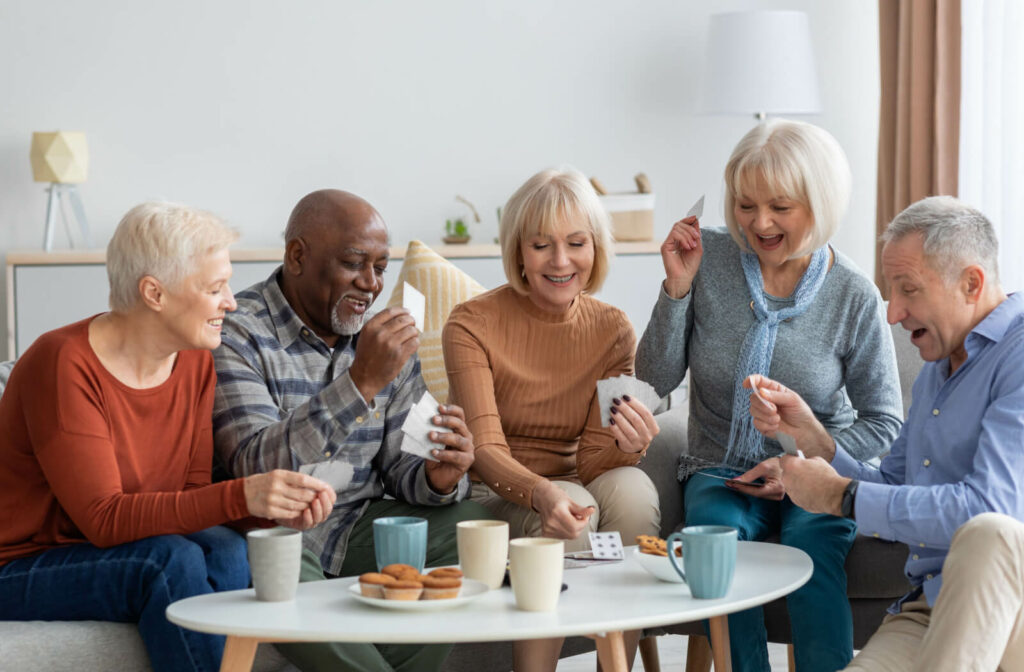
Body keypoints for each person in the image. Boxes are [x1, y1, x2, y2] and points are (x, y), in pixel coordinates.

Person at [0, 202, 336, 672]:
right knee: (167, 561)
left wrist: (269, 512)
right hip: (21, 564)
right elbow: (103, 518)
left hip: (116, 549)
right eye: (214, 288)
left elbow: (190, 499)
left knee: (228, 549)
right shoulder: (62, 363)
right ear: (154, 293)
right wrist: (244, 494)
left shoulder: (194, 360)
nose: (232, 302)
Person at [635, 119, 903, 671]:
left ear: (819, 202)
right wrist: (677, 290)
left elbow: (883, 423)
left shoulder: (853, 293)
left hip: (816, 471)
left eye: (780, 206)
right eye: (746, 204)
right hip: (719, 469)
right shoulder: (706, 258)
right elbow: (654, 380)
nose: (759, 223)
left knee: (813, 555)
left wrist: (799, 460)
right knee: (718, 551)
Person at [213, 189, 488, 672]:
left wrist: (439, 474)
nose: (370, 284)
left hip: (358, 524)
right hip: (276, 529)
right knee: (268, 561)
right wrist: (360, 381)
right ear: (298, 256)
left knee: (469, 528)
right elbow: (255, 464)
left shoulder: (384, 337)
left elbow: (403, 465)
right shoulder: (238, 332)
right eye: (354, 263)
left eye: (381, 268)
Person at [754, 196, 1024, 671]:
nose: (893, 313)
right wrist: (818, 443)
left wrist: (843, 496)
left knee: (989, 533)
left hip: (1012, 606)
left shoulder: (1017, 357)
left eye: (908, 290)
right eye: (890, 292)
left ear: (971, 283)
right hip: (929, 608)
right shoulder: (938, 370)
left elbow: (988, 509)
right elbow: (897, 487)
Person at [443, 167, 661, 671]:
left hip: (576, 479)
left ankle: (616, 667)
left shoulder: (612, 328)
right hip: (499, 490)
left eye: (576, 243)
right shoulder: (471, 324)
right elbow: (486, 451)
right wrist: (543, 492)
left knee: (633, 488)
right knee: (576, 510)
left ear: (596, 248)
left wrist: (628, 445)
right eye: (541, 245)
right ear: (519, 251)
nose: (561, 261)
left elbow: (593, 457)